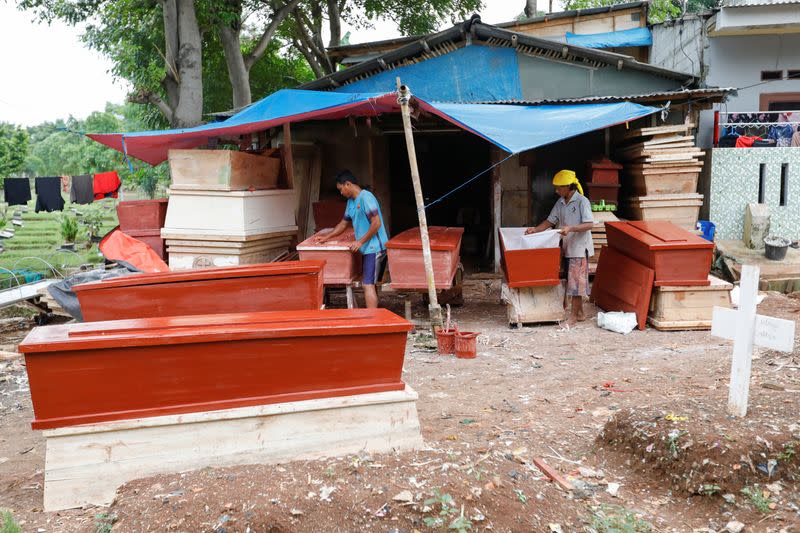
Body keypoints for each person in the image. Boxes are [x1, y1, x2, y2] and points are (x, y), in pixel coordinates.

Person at [526, 169, 594, 325]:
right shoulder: (560, 202)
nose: (556, 191)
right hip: (567, 247)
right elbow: (550, 221)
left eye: (559, 188)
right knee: (571, 280)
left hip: (579, 248)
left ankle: (573, 317)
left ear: (569, 186)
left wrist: (570, 228)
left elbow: (589, 224)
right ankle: (581, 314)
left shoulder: (582, 201)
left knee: (575, 284)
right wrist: (535, 229)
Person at [319, 170, 389, 308]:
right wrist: (326, 237)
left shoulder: (366, 197)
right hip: (367, 248)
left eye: (341, 189)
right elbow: (343, 223)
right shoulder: (351, 202)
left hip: (375, 248)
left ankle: (372, 319)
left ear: (348, 184)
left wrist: (360, 242)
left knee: (367, 284)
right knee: (370, 283)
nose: (341, 193)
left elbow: (376, 223)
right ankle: (374, 314)